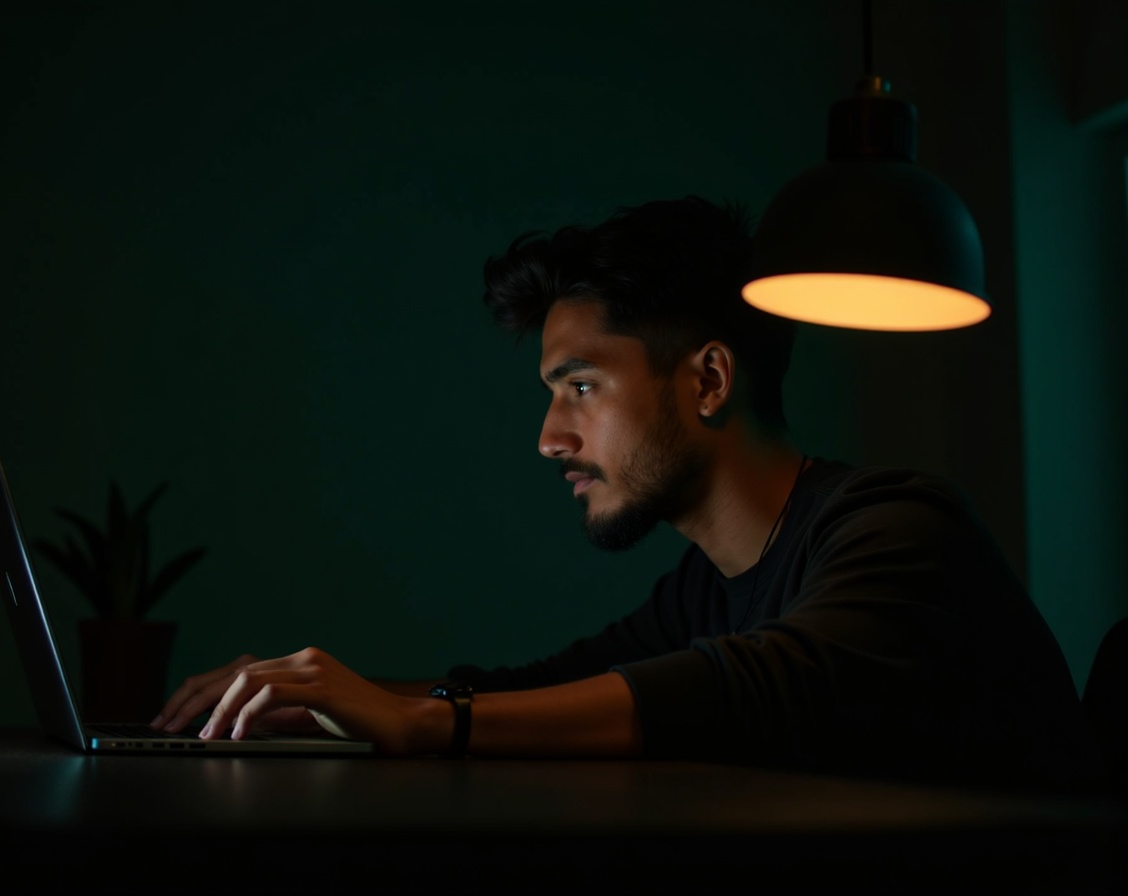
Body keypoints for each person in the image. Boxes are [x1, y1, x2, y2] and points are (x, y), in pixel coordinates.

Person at [150, 197, 1102, 791]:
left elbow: (747, 687)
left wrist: (419, 723)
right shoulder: (706, 584)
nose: (550, 437)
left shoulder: (897, 532)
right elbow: (541, 694)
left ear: (710, 381)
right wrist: (326, 700)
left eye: (582, 387)